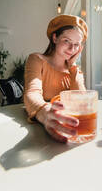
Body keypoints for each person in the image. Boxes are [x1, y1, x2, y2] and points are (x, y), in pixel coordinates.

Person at [24, 14, 87, 143]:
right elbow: (32, 93)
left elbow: (81, 102)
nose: (72, 49)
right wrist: (45, 112)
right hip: (38, 130)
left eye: (76, 45)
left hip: (68, 129)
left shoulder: (74, 71)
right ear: (55, 38)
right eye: (67, 41)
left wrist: (72, 66)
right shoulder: (37, 59)